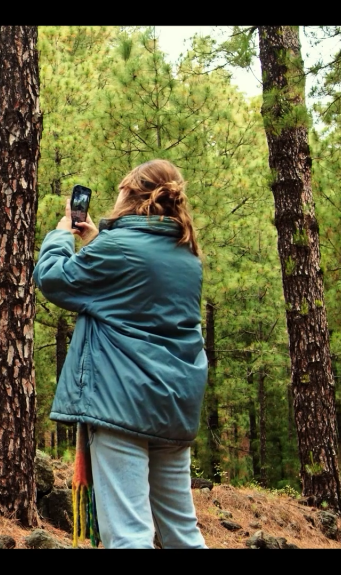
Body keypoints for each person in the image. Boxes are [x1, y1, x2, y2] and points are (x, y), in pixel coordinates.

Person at [33, 159, 208, 549]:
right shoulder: (187, 255)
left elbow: (53, 279)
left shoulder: (118, 247)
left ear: (130, 193)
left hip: (122, 403)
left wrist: (61, 235)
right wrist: (97, 242)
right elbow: (138, 296)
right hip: (174, 405)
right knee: (182, 532)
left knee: (129, 534)